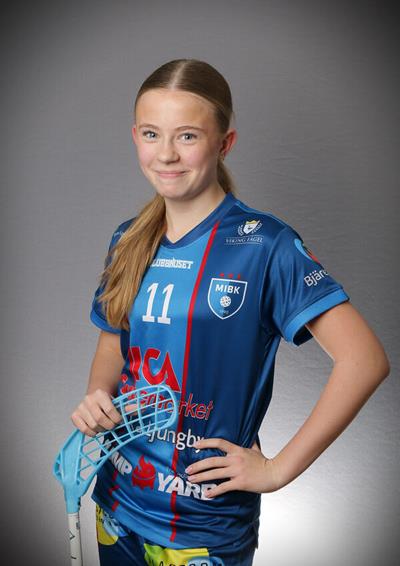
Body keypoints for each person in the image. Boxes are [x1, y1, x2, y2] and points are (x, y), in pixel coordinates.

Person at [71, 58, 390, 566]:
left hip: (204, 523)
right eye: (152, 134)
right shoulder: (127, 238)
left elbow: (365, 361)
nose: (166, 154)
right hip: (118, 501)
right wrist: (96, 397)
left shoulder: (265, 244)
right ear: (135, 137)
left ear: (225, 143)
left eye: (188, 136)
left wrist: (276, 470)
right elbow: (114, 344)